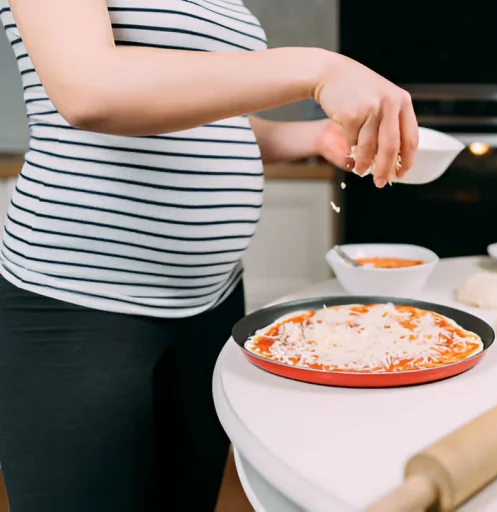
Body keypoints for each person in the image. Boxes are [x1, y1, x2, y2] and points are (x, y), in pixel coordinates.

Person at [0, 1, 419, 511]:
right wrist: (318, 68)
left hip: (211, 304)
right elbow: (90, 88)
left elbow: (211, 122)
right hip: (77, 307)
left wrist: (312, 136)